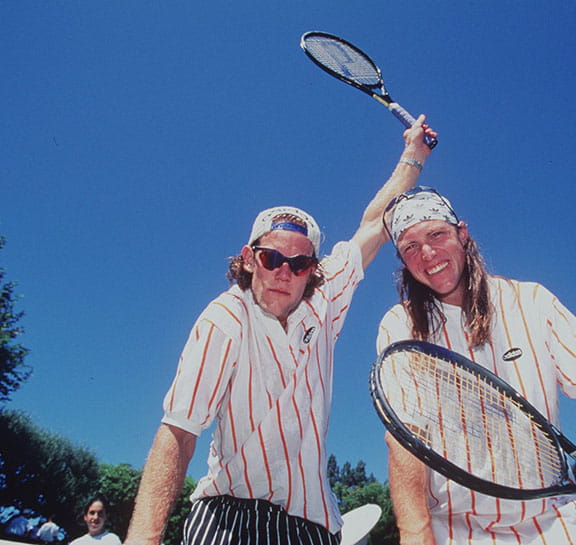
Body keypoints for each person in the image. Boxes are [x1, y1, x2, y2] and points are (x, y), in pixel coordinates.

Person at [124, 117, 438, 545]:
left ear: (312, 270)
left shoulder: (323, 301)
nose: (283, 273)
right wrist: (142, 539)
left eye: (299, 263)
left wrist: (413, 156)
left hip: (311, 526)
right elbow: (179, 431)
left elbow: (374, 225)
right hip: (227, 515)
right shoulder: (224, 319)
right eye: (272, 258)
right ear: (249, 258)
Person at [376, 186, 576, 545]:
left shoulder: (532, 300)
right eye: (410, 247)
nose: (427, 253)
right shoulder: (398, 325)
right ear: (403, 262)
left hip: (551, 524)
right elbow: (405, 437)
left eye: (437, 234)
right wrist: (415, 532)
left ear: (462, 234)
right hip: (452, 530)